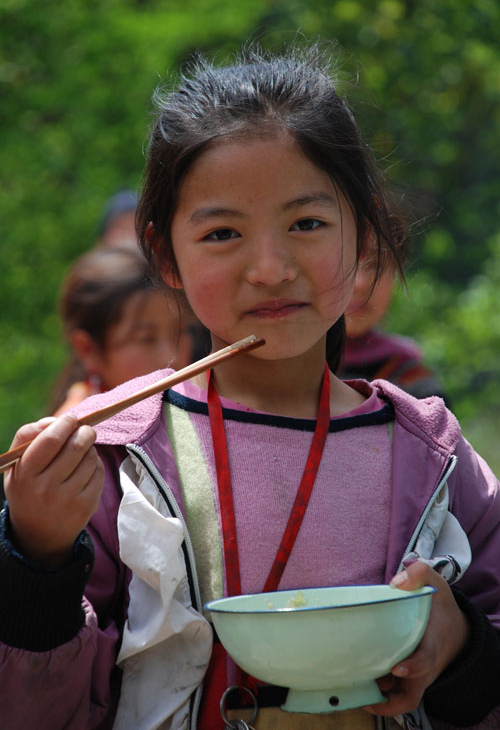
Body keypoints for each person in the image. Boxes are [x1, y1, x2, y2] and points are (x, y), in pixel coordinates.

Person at [1, 46, 500, 730]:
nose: (269, 268)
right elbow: (37, 711)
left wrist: (465, 641)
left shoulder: (433, 459)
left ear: (364, 232)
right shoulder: (118, 457)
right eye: (224, 232)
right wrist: (36, 556)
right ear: (165, 255)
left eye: (307, 223)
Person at [49, 245, 193, 414]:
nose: (170, 357)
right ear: (87, 349)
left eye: (179, 331)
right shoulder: (82, 431)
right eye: (146, 338)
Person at [340, 258, 450, 404]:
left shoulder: (422, 394)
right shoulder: (302, 379)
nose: (360, 283)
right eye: (341, 264)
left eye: (375, 265)